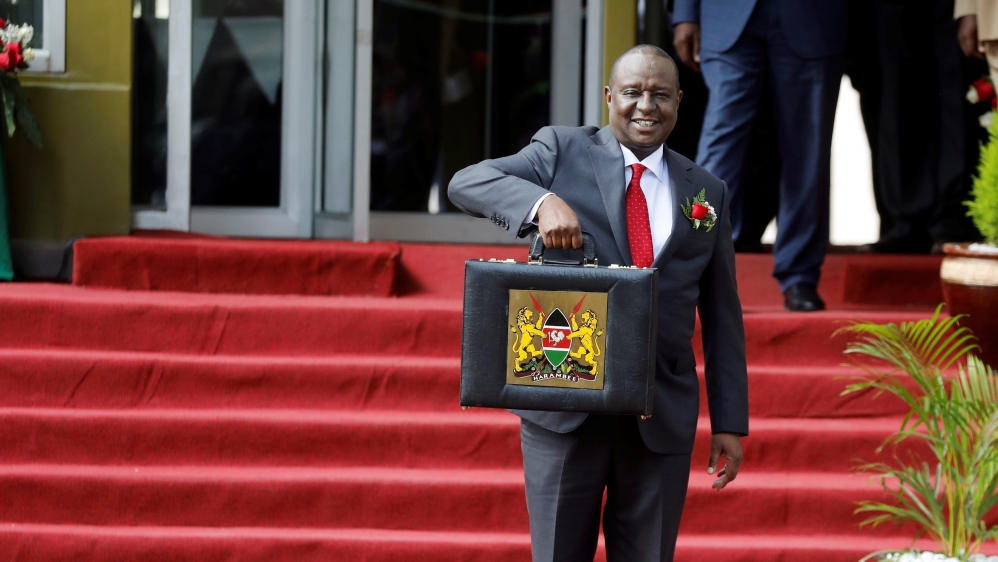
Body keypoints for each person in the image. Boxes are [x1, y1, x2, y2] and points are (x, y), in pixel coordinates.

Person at [448, 45, 748, 562]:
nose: (645, 106)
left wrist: (729, 422)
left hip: (660, 414)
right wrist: (540, 203)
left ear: (680, 102)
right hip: (565, 410)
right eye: (632, 93)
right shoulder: (562, 151)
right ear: (610, 97)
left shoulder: (708, 193)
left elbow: (723, 319)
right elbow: (466, 182)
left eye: (659, 95)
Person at [672, 0, 847, 311]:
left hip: (813, 16)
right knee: (719, 149)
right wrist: (686, 13)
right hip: (726, 14)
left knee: (808, 151)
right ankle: (695, 267)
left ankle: (800, 275)